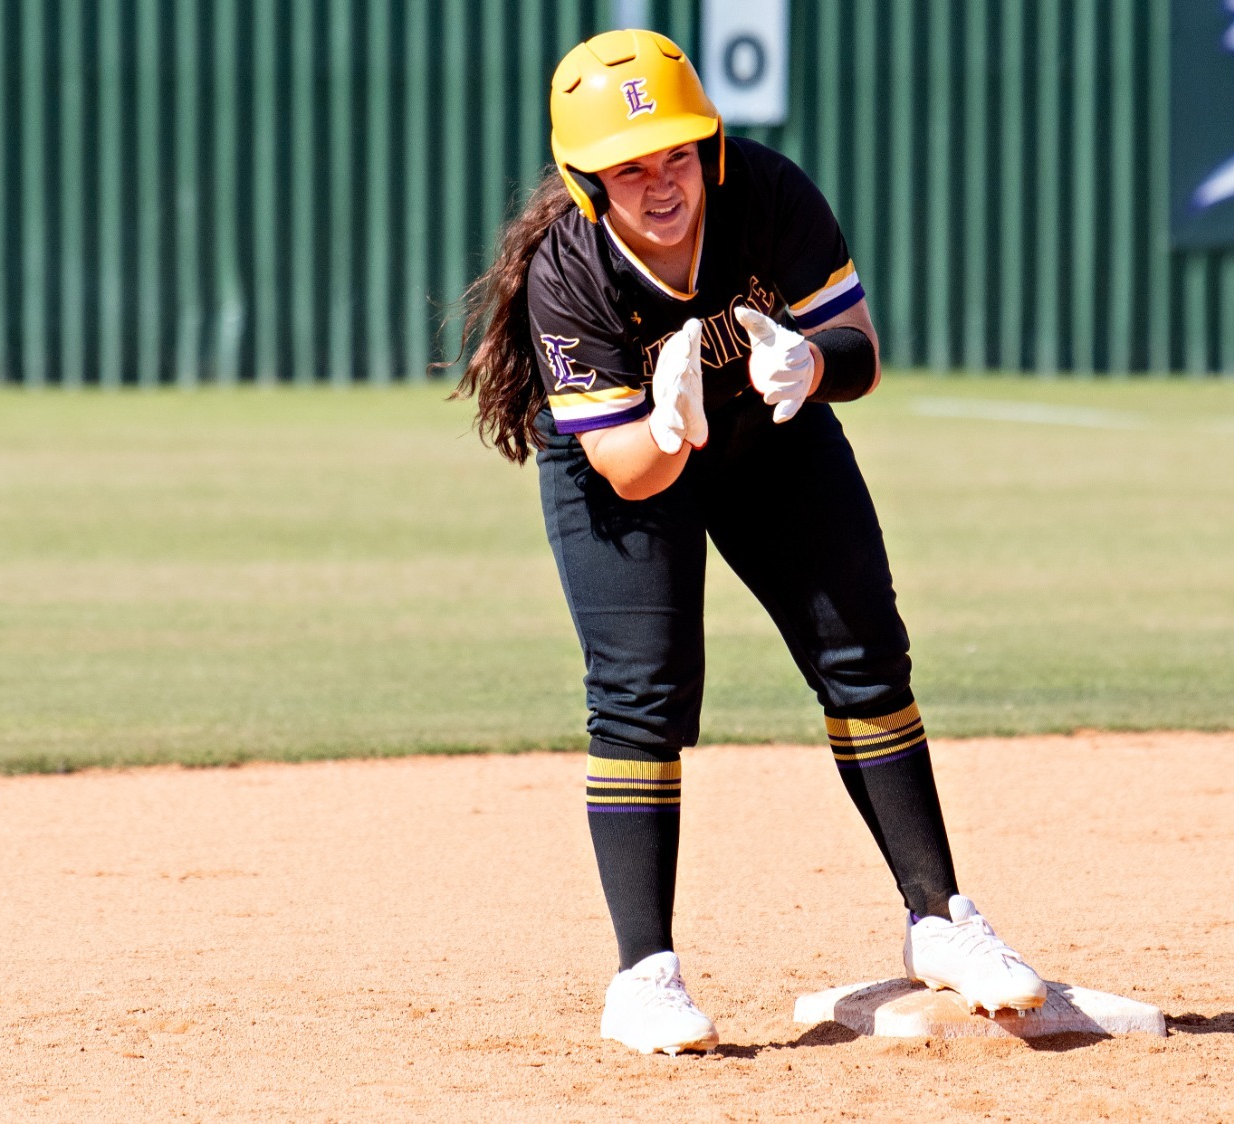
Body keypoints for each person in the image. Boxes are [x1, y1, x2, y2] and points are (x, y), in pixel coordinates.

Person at [444, 29, 1045, 1056]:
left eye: (676, 151)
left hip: (767, 428)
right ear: (589, 181)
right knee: (643, 687)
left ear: (709, 144)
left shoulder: (766, 191)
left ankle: (941, 922)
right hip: (629, 453)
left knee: (863, 650)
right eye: (631, 166)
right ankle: (644, 976)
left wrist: (811, 363)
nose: (662, 180)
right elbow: (629, 469)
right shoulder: (570, 270)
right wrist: (672, 422)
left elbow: (858, 345)